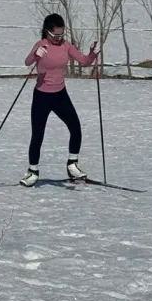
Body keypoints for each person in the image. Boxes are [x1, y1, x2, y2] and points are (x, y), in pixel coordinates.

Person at [19, 13, 98, 187]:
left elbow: (84, 61)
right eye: (55, 35)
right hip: (42, 96)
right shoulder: (42, 45)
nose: (59, 38)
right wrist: (35, 55)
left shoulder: (66, 46)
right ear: (47, 32)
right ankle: (32, 172)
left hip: (60, 95)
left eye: (61, 34)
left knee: (76, 128)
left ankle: (72, 165)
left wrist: (92, 54)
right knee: (38, 135)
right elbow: (27, 62)